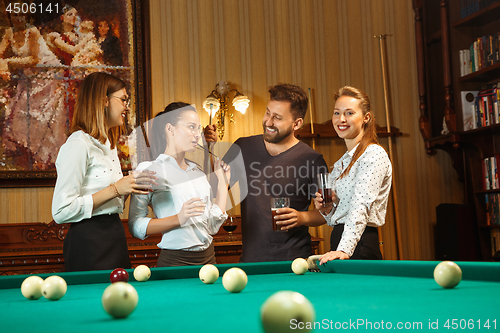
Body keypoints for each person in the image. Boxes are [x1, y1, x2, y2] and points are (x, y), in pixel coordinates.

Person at [52, 72, 156, 271]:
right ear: (104, 101)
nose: (127, 106)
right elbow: (61, 211)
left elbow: (108, 200)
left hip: (115, 235)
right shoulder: (78, 143)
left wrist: (130, 188)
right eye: (123, 99)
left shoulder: (109, 145)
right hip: (88, 241)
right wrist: (116, 189)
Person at [278, 86, 392, 264]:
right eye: (337, 113)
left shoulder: (373, 154)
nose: (341, 119)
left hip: (359, 243)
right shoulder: (341, 164)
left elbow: (360, 207)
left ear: (366, 118)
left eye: (349, 113)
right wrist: (326, 209)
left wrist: (344, 249)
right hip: (339, 239)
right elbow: (334, 218)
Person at [220, 84, 328, 262]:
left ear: (297, 123)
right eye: (268, 112)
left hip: (295, 262)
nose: (268, 122)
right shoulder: (242, 147)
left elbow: (326, 213)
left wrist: (301, 217)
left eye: (277, 117)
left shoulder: (313, 160)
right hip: (250, 261)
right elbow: (214, 190)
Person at [128, 102, 231, 267]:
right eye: (191, 127)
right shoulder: (148, 170)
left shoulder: (197, 172)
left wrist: (223, 184)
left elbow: (212, 226)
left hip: (209, 262)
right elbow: (135, 226)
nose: (198, 134)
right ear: (170, 129)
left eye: (199, 128)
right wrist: (178, 218)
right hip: (175, 263)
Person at [0, 11, 65, 170]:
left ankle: (44, 158)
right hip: (30, 75)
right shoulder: (9, 33)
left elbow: (34, 59)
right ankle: (28, 152)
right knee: (20, 112)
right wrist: (2, 64)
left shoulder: (32, 32)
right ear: (11, 18)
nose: (18, 19)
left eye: (21, 16)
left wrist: (8, 61)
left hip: (47, 73)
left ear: (26, 18)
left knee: (44, 116)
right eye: (14, 16)